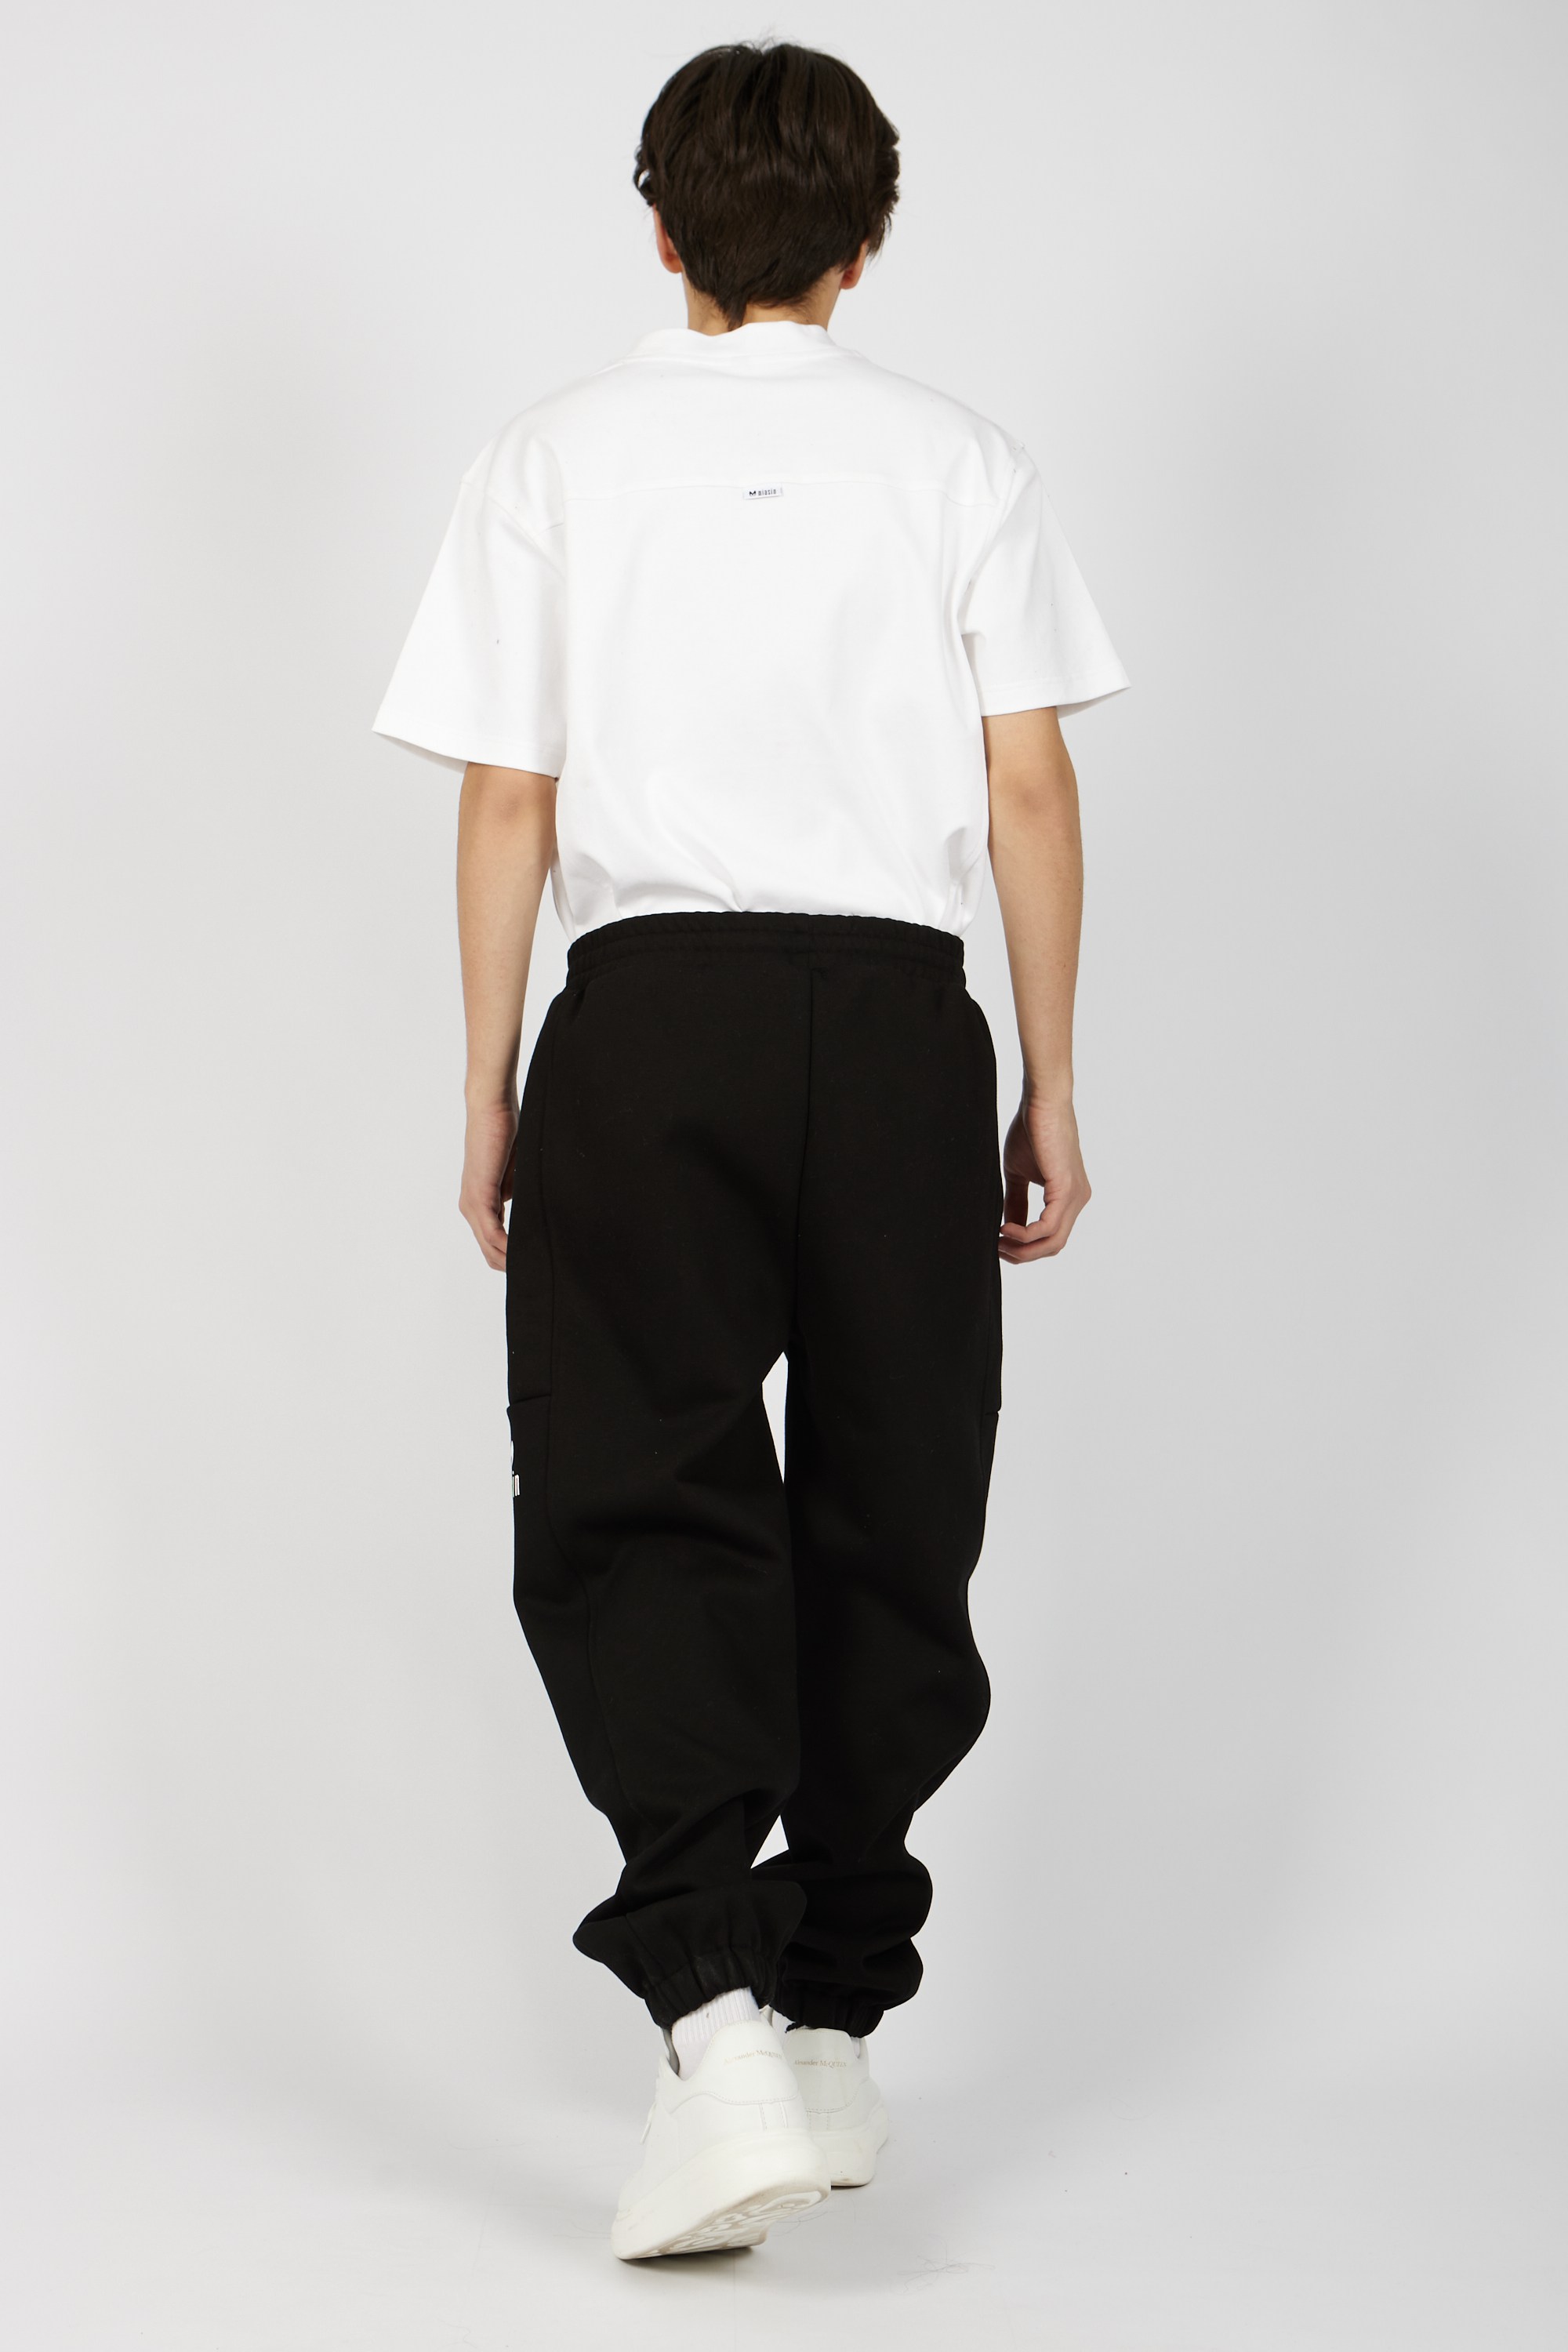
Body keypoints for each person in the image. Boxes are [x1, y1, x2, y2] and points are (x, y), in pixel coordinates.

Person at [372, 38, 1127, 2263]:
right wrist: (1048, 1075)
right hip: (898, 1026)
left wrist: (494, 1077)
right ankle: (835, 2013)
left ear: (660, 229)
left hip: (652, 1017)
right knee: (898, 1503)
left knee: (638, 1491)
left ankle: (719, 2024)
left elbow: (509, 795)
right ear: (865, 243)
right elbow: (1029, 788)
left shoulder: (552, 456)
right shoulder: (960, 458)